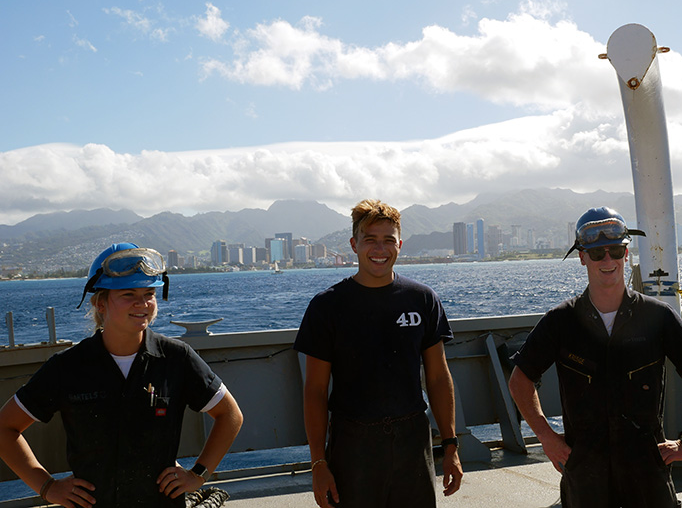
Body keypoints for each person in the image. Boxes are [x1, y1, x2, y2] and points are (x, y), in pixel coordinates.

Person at [0, 243, 244, 508]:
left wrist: (198, 475)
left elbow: (230, 415)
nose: (142, 303)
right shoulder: (67, 367)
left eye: (149, 293)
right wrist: (47, 486)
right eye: (128, 294)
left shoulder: (176, 359)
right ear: (100, 303)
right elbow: (4, 427)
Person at [508, 207, 682, 508]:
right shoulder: (560, 321)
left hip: (646, 469)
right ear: (582, 257)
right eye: (597, 254)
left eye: (616, 251)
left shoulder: (657, 316)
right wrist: (547, 437)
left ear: (626, 253)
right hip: (585, 471)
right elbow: (521, 379)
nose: (608, 260)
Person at [294, 199, 463, 508]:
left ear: (399, 244)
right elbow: (315, 390)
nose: (379, 249)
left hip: (413, 440)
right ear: (354, 245)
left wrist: (450, 444)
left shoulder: (422, 300)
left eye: (388, 240)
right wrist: (319, 464)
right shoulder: (327, 307)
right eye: (369, 240)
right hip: (352, 445)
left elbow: (438, 378)